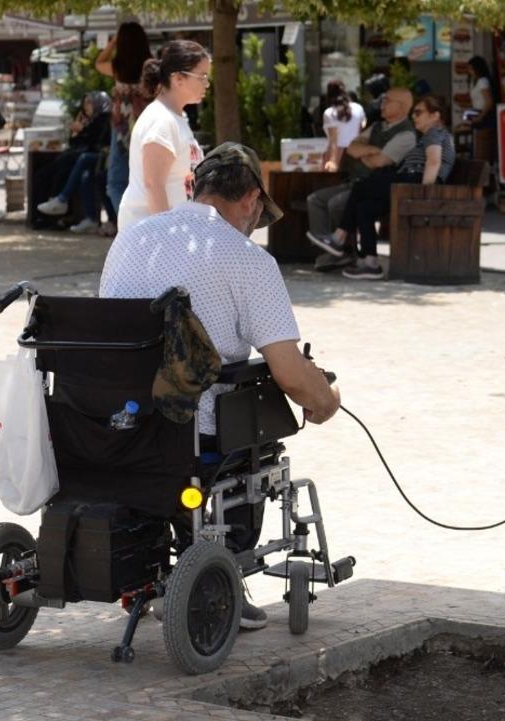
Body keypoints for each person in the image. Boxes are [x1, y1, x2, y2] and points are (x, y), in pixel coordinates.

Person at [100, 142, 341, 629]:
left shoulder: (132, 238)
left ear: (193, 187)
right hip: (192, 430)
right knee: (256, 429)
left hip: (113, 420)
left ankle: (164, 562)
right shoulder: (247, 259)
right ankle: (223, 568)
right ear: (251, 199)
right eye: (258, 214)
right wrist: (326, 400)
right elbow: (289, 372)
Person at [312, 94, 456, 280]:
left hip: (413, 182)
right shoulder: (432, 135)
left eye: (419, 112)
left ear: (435, 115)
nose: (414, 116)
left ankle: (339, 238)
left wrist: (424, 193)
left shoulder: (435, 133)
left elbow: (434, 162)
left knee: (361, 186)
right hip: (408, 183)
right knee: (364, 207)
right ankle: (370, 262)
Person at [305, 87, 415, 272]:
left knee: (336, 203)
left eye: (387, 101)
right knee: (315, 200)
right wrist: (373, 150)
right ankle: (332, 249)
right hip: (355, 182)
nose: (382, 104)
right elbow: (351, 147)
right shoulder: (377, 126)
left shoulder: (406, 134)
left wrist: (365, 153)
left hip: (375, 188)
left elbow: (377, 163)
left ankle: (346, 250)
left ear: (402, 106)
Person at [116, 39, 209, 232]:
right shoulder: (161, 121)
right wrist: (167, 237)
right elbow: (153, 185)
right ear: (178, 78)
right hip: (150, 236)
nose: (206, 84)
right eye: (202, 76)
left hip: (166, 233)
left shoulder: (175, 117)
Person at [95, 21, 153, 226]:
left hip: (121, 130)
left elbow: (98, 63)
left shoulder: (117, 68)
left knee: (115, 183)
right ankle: (143, 224)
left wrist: (112, 43)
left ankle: (130, 226)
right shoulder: (151, 68)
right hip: (148, 127)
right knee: (146, 181)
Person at [35, 91, 113, 232]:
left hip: (100, 159)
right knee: (83, 177)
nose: (86, 106)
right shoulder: (89, 120)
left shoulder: (102, 119)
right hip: (90, 159)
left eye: (89, 103)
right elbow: (75, 142)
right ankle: (89, 219)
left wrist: (82, 130)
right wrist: (77, 131)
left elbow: (93, 142)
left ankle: (62, 200)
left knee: (77, 163)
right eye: (85, 103)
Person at [321, 80, 365, 173]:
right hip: (356, 150)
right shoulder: (358, 108)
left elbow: (333, 140)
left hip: (338, 152)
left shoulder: (329, 113)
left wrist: (332, 161)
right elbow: (362, 128)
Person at [467, 55, 496, 162]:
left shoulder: (483, 81)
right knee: (476, 144)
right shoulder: (474, 82)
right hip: (476, 113)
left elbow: (489, 102)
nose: (469, 71)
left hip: (484, 115)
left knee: (482, 146)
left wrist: (480, 116)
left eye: (471, 69)